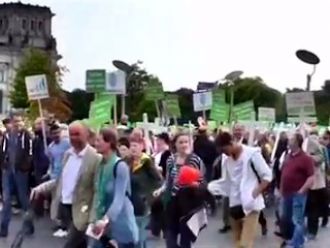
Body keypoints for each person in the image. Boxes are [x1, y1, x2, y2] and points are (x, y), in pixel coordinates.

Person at [31, 121, 100, 248]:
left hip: (82, 211)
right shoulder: (68, 155)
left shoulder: (95, 158)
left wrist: (93, 217)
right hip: (65, 207)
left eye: (77, 134)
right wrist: (41, 188)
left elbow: (97, 190)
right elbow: (60, 181)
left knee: (71, 244)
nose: (74, 138)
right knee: (80, 244)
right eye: (71, 135)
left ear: (86, 135)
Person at [213, 132, 272, 248]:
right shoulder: (225, 159)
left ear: (231, 143)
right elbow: (227, 180)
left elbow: (267, 176)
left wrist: (255, 192)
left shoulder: (252, 154)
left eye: (225, 150)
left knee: (245, 244)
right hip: (234, 205)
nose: (225, 154)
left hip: (251, 205)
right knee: (237, 242)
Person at [153, 132, 205, 248]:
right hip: (173, 201)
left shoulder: (195, 160)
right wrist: (161, 190)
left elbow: (201, 181)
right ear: (175, 144)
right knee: (170, 237)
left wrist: (193, 183)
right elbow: (168, 180)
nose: (184, 145)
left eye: (186, 142)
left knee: (185, 239)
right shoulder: (171, 160)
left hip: (188, 203)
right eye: (180, 142)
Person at [89, 128, 138, 248]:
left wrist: (105, 220)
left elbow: (119, 199)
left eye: (99, 140)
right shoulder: (101, 165)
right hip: (103, 223)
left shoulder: (120, 166)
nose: (96, 144)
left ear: (109, 142)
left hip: (121, 222)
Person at [166, 165, 216, 248]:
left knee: (178, 240)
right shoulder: (195, 188)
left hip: (183, 219)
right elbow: (210, 198)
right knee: (181, 240)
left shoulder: (180, 190)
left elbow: (173, 207)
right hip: (185, 219)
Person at [0, 113, 33, 237]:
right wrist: (3, 165)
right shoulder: (7, 136)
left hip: (20, 171)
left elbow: (30, 152)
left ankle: (29, 225)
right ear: (12, 123)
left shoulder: (26, 136)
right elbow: (2, 151)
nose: (18, 124)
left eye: (20, 121)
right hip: (8, 170)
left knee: (23, 199)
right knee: (6, 199)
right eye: (16, 121)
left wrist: (25, 167)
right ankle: (3, 228)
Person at [280, 133, 315, 248]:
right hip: (286, 193)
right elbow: (284, 173)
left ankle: (296, 244)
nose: (289, 141)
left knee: (297, 220)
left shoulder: (306, 158)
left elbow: (311, 177)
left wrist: (302, 190)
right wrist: (281, 189)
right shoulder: (288, 156)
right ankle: (298, 241)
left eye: (291, 139)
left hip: (297, 194)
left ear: (297, 142)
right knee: (287, 218)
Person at [128, 133, 162, 248]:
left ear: (142, 146)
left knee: (139, 231)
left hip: (143, 201)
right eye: (131, 146)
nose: (133, 148)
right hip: (129, 200)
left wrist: (150, 195)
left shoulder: (146, 161)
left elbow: (158, 180)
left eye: (135, 145)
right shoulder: (126, 162)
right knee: (133, 232)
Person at [47, 123, 71, 237]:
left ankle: (65, 225)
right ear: (50, 135)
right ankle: (58, 221)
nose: (56, 135)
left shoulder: (67, 144)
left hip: (66, 176)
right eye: (54, 133)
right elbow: (51, 162)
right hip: (54, 176)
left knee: (63, 200)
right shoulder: (51, 147)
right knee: (55, 200)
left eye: (58, 133)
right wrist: (49, 172)